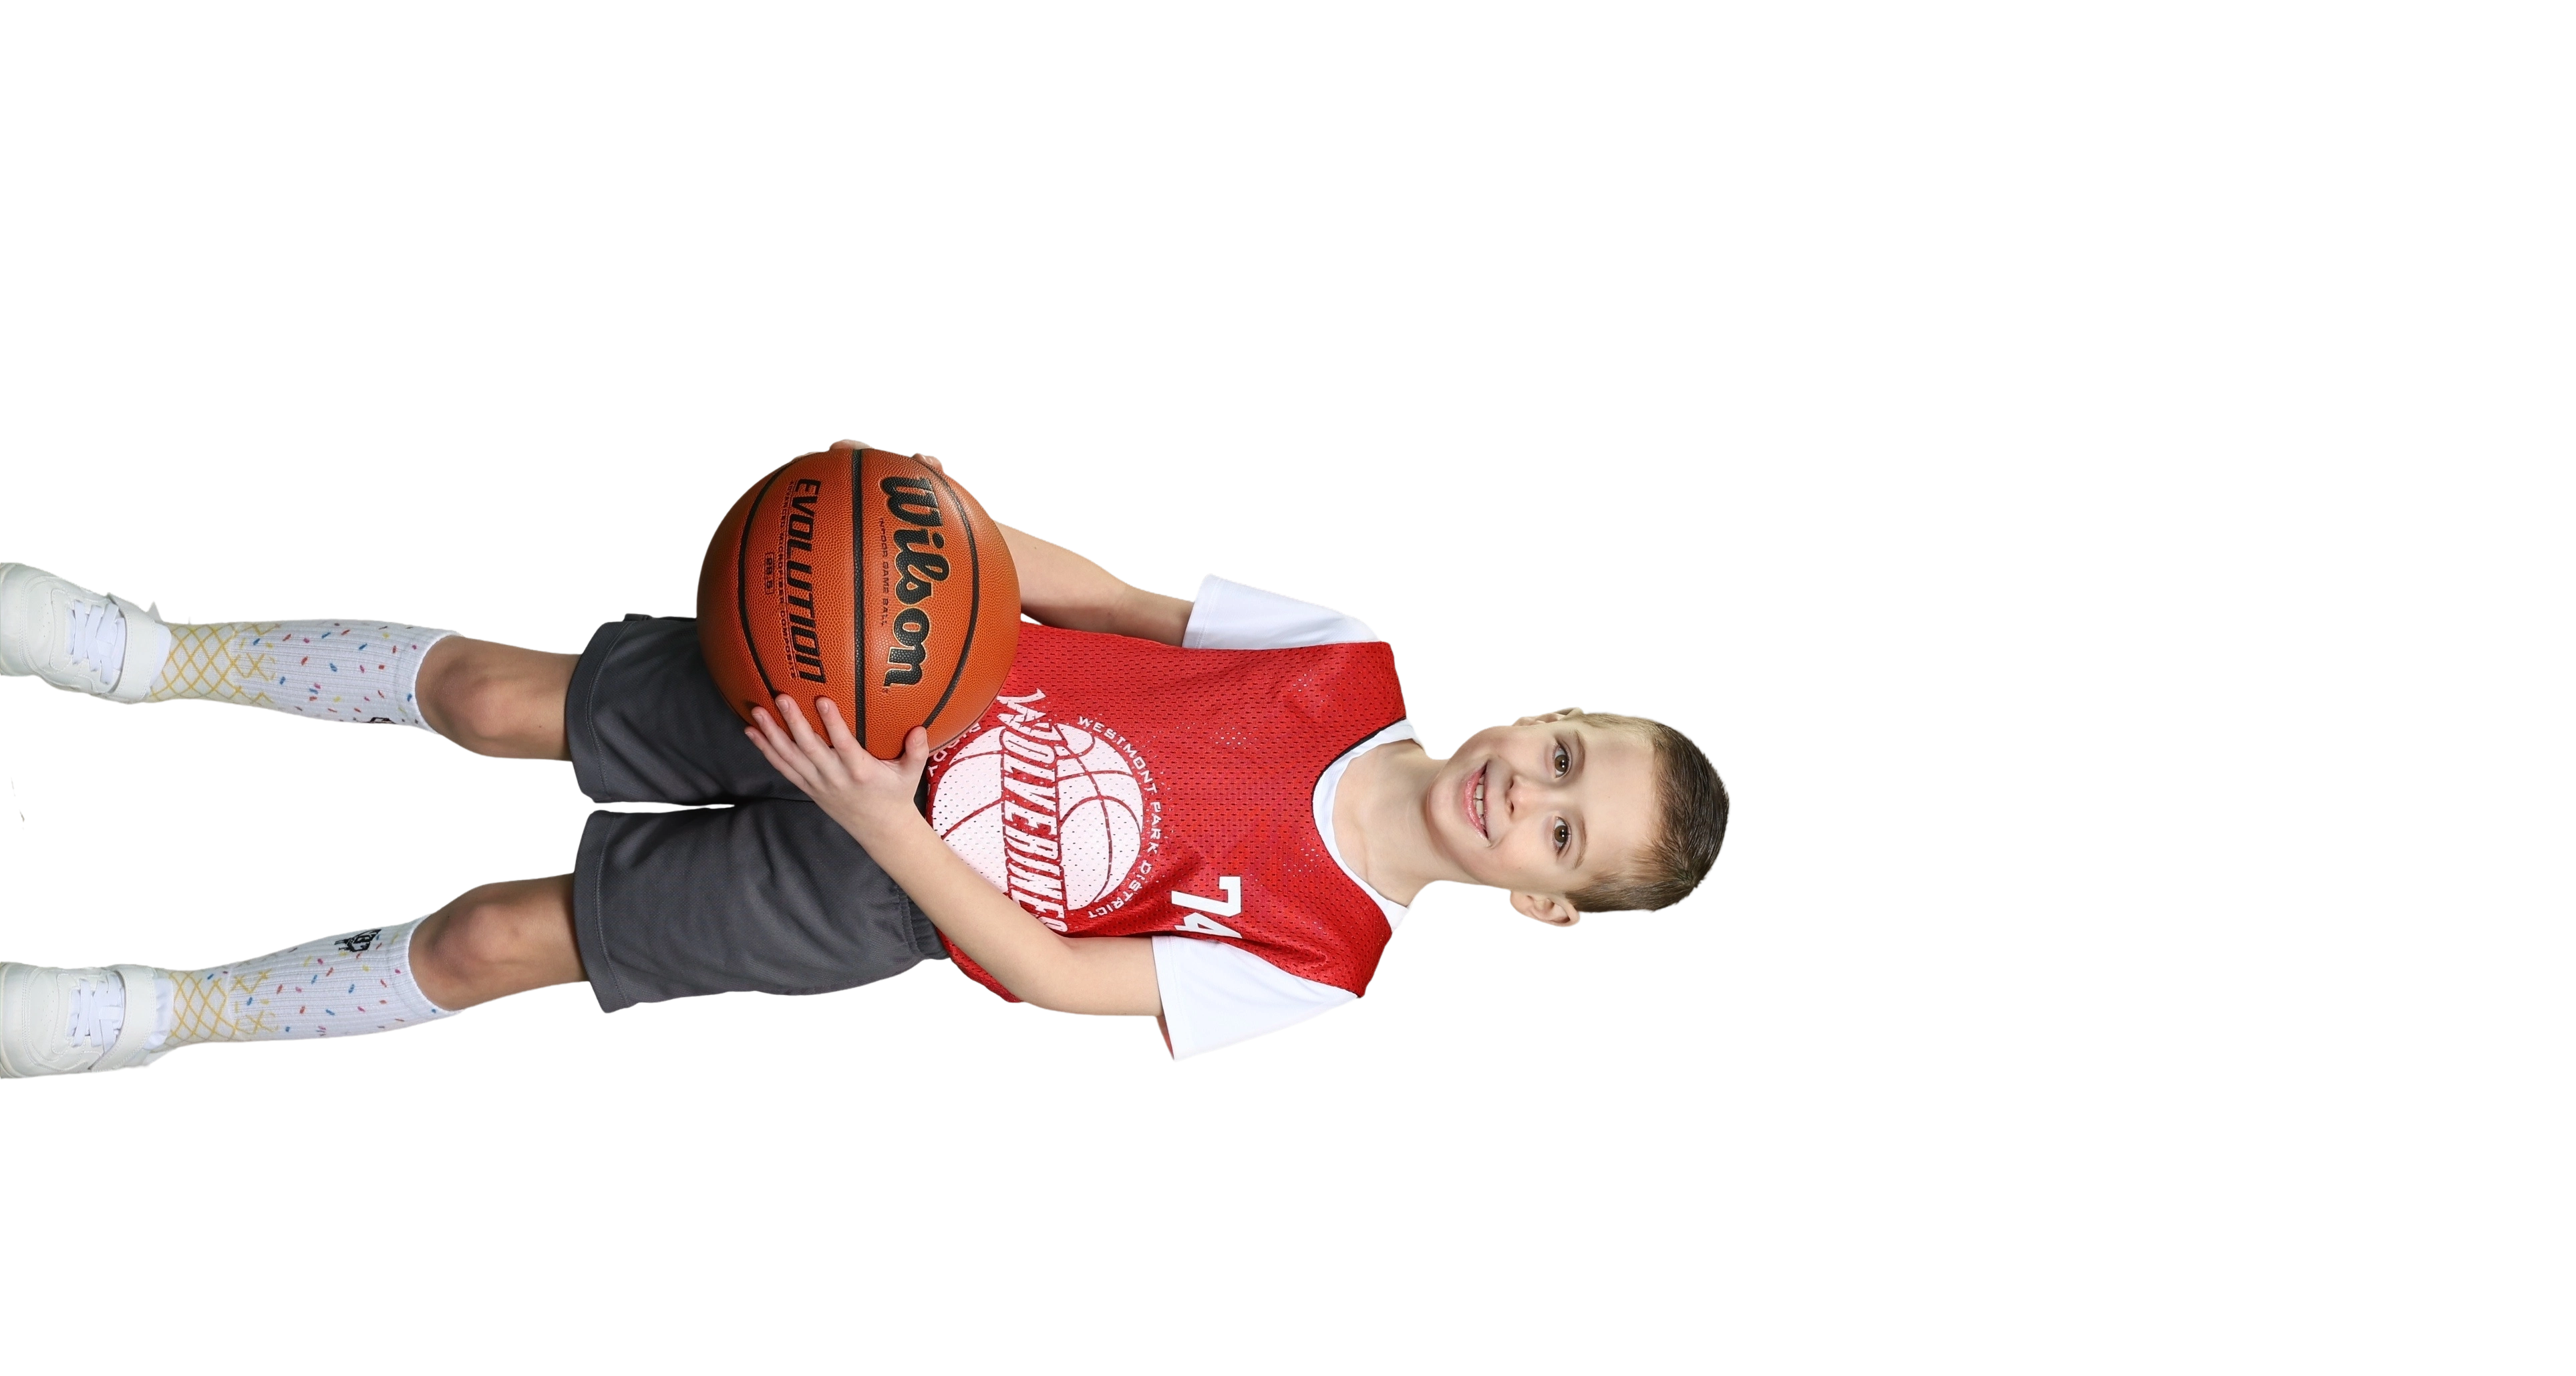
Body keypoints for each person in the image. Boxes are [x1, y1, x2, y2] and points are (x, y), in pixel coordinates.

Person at [0, 446, 1733, 1079]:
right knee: (492, 700)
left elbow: (1056, 975)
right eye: (1564, 754)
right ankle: (148, 655)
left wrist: (884, 824)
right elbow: (1107, 601)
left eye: (1563, 837)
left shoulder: (1321, 960)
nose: (1530, 793)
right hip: (857, 677)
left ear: (1545, 905)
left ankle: (166, 1014)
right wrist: (924, 514)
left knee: (489, 940)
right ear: (1541, 712)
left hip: (876, 889)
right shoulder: (1340, 657)